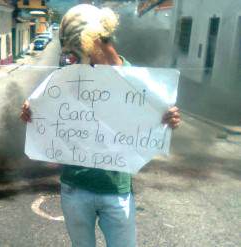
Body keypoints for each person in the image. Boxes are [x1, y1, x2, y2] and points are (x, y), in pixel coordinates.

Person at [20, 4, 180, 247]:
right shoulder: (70, 76)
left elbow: (159, 119)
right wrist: (32, 112)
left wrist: (169, 120)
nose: (71, 57)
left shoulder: (138, 82)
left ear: (91, 41)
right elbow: (47, 111)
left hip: (116, 190)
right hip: (75, 188)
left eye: (76, 49)